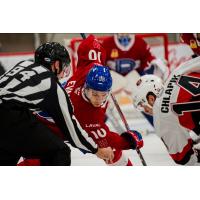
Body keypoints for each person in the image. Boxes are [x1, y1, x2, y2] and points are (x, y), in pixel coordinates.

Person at [0, 42, 114, 166]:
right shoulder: (51, 84)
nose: (64, 71)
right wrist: (96, 149)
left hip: (8, 118)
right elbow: (71, 128)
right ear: (56, 64)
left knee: (10, 150)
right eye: (64, 65)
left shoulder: (23, 64)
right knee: (59, 151)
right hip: (8, 116)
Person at [65, 35, 143, 166]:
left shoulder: (87, 68)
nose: (99, 100)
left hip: (60, 113)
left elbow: (89, 49)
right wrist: (130, 142)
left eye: (103, 95)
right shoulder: (88, 114)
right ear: (86, 88)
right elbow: (107, 139)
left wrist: (92, 41)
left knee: (111, 151)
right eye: (94, 94)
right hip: (60, 129)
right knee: (107, 150)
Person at [132, 56, 200, 165]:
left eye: (143, 106)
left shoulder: (161, 116)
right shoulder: (177, 72)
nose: (145, 110)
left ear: (151, 98)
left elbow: (183, 159)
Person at [102, 33, 169, 128]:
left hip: (133, 78)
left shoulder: (139, 43)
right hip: (114, 79)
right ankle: (96, 124)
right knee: (102, 101)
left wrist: (154, 65)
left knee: (145, 100)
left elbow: (148, 60)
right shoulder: (107, 43)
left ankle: (159, 125)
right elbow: (99, 63)